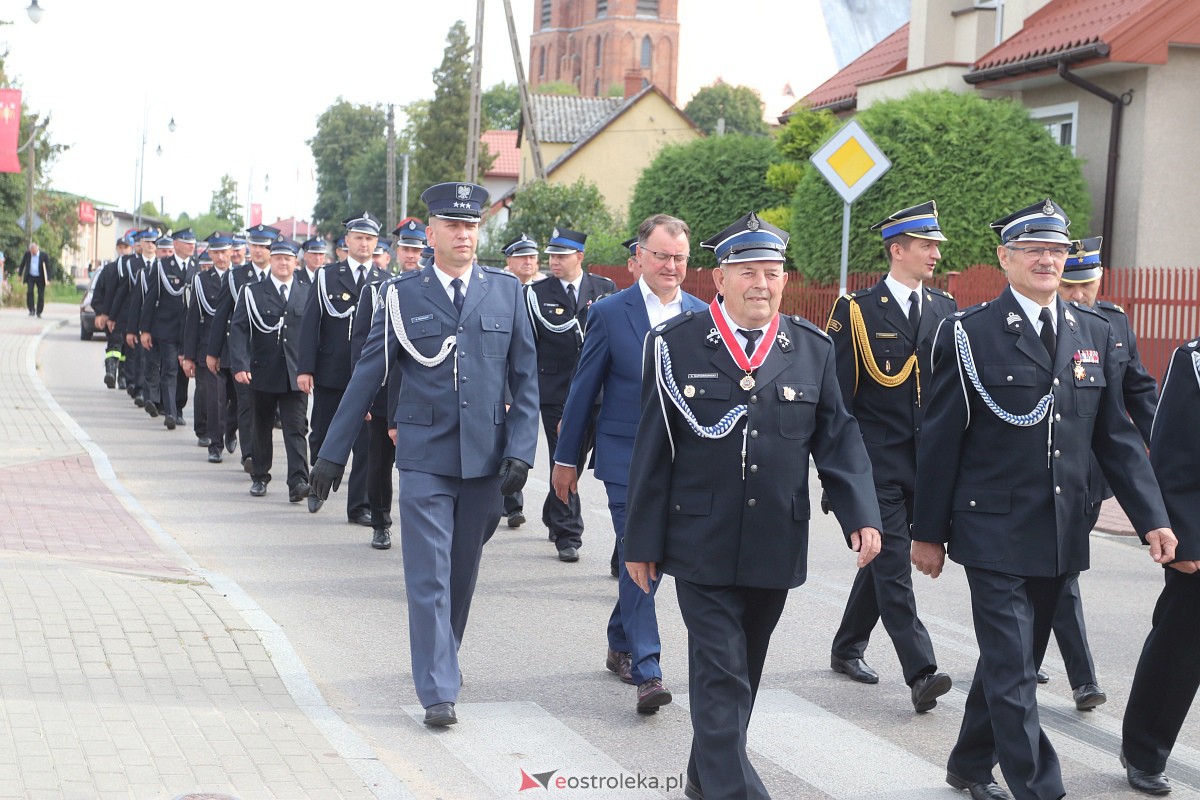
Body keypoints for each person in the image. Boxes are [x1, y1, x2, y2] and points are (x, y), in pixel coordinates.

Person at [911, 199, 1175, 800]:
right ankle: (1040, 788)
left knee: (1016, 662)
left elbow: (1116, 440)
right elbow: (941, 438)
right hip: (990, 529)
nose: (1047, 260)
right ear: (1005, 258)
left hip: (1059, 528)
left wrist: (1152, 519)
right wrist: (927, 533)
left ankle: (970, 763)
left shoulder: (1096, 332)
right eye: (1033, 250)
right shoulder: (968, 332)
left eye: (1056, 251)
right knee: (1013, 668)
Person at [624, 212, 882, 800]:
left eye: (771, 272)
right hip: (699, 541)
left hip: (774, 540)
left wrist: (861, 514)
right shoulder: (675, 345)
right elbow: (653, 450)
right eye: (747, 272)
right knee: (721, 674)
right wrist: (640, 542)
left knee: (744, 673)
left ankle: (703, 776)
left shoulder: (812, 349)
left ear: (785, 280)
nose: (761, 284)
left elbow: (838, 440)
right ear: (720, 278)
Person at [308, 182, 538, 726]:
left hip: (485, 458)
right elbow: (368, 374)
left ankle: (442, 660)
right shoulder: (400, 295)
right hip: (423, 454)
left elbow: (526, 380)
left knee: (460, 574)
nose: (463, 235)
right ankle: (437, 689)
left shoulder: (507, 292)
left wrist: (522, 450)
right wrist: (332, 454)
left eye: (471, 225)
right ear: (430, 233)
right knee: (428, 574)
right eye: (452, 225)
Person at [551, 214, 706, 712]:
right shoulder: (610, 312)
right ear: (639, 256)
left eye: (679, 257)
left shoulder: (704, 315)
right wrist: (566, 459)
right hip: (625, 459)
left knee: (654, 559)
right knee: (641, 551)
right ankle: (648, 670)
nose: (671, 266)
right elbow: (583, 391)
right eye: (661, 256)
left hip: (683, 462)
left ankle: (620, 639)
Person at [825, 200, 957, 711]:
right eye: (926, 245)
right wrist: (837, 476)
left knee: (882, 556)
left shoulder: (945, 309)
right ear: (897, 250)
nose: (935, 253)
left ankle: (847, 645)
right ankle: (921, 671)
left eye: (936, 245)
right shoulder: (856, 311)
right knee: (895, 564)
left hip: (928, 464)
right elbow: (838, 401)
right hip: (874, 465)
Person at [1037, 235, 1159, 709]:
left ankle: (1018, 655)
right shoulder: (1042, 322)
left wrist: (1168, 449)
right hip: (1043, 471)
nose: (1078, 294)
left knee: (1057, 571)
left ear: (1099, 279)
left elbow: (1138, 392)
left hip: (1090, 477)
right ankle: (1082, 677)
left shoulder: (1113, 323)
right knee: (1060, 570)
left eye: (1086, 284)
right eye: (1069, 285)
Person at [1121, 337, 1200, 796]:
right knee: (1181, 645)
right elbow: (1174, 451)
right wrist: (1185, 537)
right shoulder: (1195, 360)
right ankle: (1144, 749)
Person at [526, 227, 616, 562]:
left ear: (579, 256)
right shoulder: (536, 293)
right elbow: (528, 345)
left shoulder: (604, 289)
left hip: (597, 391)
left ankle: (554, 509)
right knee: (563, 456)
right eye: (552, 255)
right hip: (556, 391)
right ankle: (568, 533)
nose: (555, 261)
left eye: (562, 256)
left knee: (577, 459)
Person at [297, 212, 390, 524]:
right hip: (331, 373)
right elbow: (310, 324)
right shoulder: (327, 276)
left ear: (376, 243)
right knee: (322, 433)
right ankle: (317, 486)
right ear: (347, 241)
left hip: (368, 377)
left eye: (370, 239)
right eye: (359, 238)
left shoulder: (385, 281)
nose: (364, 244)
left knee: (366, 445)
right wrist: (305, 368)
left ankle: (359, 506)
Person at [228, 236, 311, 501]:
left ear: (296, 263)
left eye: (288, 259)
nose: (283, 263)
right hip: (262, 371)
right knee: (261, 426)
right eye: (278, 258)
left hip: (295, 373)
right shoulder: (252, 292)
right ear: (270, 261)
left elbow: (315, 335)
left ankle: (298, 482)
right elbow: (239, 330)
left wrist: (311, 369)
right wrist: (240, 364)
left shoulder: (307, 292)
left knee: (296, 429)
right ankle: (260, 476)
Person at [207, 224, 279, 473]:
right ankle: (249, 455)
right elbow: (221, 315)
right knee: (246, 402)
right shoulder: (236, 276)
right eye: (255, 245)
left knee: (262, 406)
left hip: (273, 355)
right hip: (243, 353)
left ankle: (232, 427)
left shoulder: (282, 274)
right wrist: (213, 352)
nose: (258, 250)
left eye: (264, 246)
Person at [183, 233, 238, 464]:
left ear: (232, 252)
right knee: (215, 399)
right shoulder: (201, 280)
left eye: (224, 252)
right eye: (216, 253)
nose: (221, 257)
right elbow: (193, 318)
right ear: (210, 254)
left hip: (236, 348)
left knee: (238, 398)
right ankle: (215, 445)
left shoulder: (241, 277)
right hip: (209, 347)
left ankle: (231, 429)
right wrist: (188, 355)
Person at [500, 232, 542, 529]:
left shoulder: (543, 292)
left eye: (532, 257)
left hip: (534, 379)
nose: (528, 262)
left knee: (518, 443)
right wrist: (505, 392)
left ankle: (513, 505)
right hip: (505, 381)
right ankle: (509, 502)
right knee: (503, 441)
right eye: (522, 257)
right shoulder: (499, 290)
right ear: (509, 261)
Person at [138, 234, 188, 428]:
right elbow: (149, 300)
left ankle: (178, 408)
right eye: (164, 250)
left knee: (182, 373)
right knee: (169, 369)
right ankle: (169, 412)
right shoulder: (161, 268)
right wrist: (144, 329)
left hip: (188, 331)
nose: (167, 254)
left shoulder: (196, 267)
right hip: (166, 329)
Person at [92, 234, 136, 389]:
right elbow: (99, 294)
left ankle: (123, 377)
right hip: (112, 316)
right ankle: (110, 372)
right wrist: (100, 313)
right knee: (114, 344)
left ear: (132, 248)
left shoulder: (136, 268)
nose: (123, 250)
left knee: (127, 349)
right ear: (117, 249)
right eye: (120, 247)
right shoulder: (109, 269)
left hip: (130, 316)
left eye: (126, 247)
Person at [18, 242, 51, 318]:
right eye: (31, 252)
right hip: (30, 276)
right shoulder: (27, 254)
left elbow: (48, 267)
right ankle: (31, 310)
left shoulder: (44, 255)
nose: (33, 253)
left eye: (34, 251)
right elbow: (22, 264)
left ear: (37, 249)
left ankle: (39, 312)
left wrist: (48, 279)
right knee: (29, 292)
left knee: (41, 294)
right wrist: (20, 274)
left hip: (41, 277)